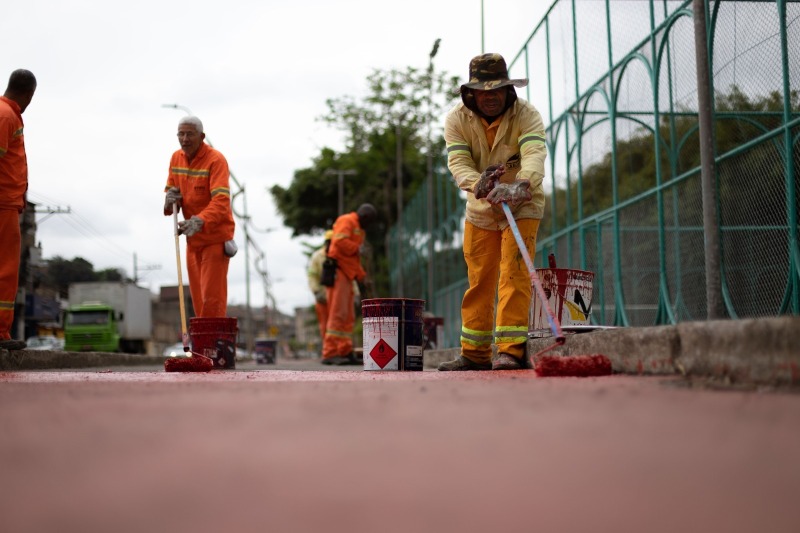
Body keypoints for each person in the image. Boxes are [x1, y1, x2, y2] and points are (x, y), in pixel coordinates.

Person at [438, 53, 547, 371]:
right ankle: (473, 353)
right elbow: (459, 163)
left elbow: (534, 153)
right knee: (480, 278)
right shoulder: (456, 120)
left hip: (523, 203)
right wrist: (479, 184)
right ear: (471, 93)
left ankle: (510, 350)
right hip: (481, 208)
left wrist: (522, 185)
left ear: (507, 89)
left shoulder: (526, 115)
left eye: (496, 89)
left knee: (513, 272)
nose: (490, 97)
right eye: (483, 91)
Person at [163, 116, 236, 318]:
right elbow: (171, 198)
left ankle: (212, 346)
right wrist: (169, 200)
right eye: (181, 134)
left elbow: (221, 201)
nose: (185, 139)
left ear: (202, 136)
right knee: (198, 301)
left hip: (215, 238)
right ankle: (204, 347)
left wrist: (198, 221)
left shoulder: (215, 160)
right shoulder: (176, 158)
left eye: (190, 134)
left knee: (211, 300)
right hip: (193, 240)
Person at [0, 69, 36, 351]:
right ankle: (0, 332)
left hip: (7, 203)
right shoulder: (6, 116)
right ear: (29, 94)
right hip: (3, 204)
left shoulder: (6, 114)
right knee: (6, 270)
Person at [321, 203, 377, 365]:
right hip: (338, 272)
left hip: (347, 274)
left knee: (347, 315)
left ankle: (344, 351)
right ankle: (329, 352)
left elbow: (353, 260)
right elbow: (339, 243)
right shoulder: (347, 220)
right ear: (365, 217)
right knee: (338, 313)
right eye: (370, 221)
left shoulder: (360, 229)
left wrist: (361, 275)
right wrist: (357, 248)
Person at [307, 229, 333, 339]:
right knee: (325, 324)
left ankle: (341, 349)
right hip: (322, 296)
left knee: (339, 324)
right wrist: (316, 291)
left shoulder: (339, 256)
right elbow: (312, 275)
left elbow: (349, 276)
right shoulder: (317, 256)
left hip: (337, 296)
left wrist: (354, 292)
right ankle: (329, 350)